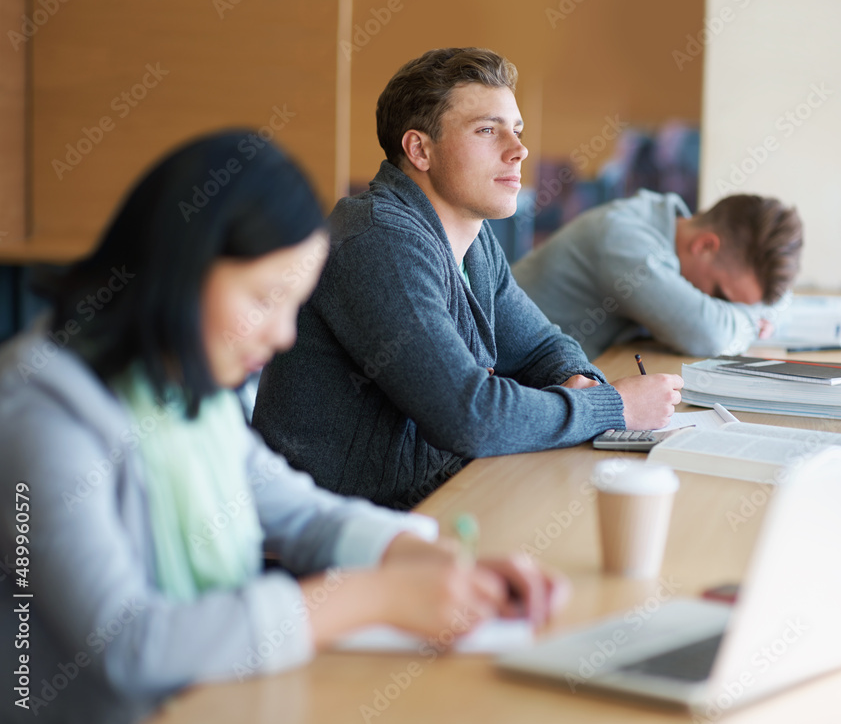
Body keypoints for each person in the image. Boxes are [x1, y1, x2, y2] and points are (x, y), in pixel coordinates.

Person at [0, 133, 565, 724]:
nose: (283, 336)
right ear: (183, 267)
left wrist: (430, 558)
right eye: (265, 298)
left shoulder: (184, 378)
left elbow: (298, 512)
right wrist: (372, 595)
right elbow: (130, 645)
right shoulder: (37, 412)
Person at [251, 48, 684, 510]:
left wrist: (579, 383)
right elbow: (470, 416)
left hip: (436, 500)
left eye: (516, 130)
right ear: (420, 149)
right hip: (338, 541)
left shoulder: (473, 240)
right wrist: (610, 407)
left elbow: (541, 348)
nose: (518, 150)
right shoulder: (377, 241)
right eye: (487, 130)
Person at [512, 191, 804, 360]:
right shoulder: (624, 242)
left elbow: (782, 300)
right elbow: (709, 335)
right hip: (504, 385)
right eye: (721, 295)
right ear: (704, 246)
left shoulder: (667, 223)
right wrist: (753, 321)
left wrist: (756, 312)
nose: (723, 304)